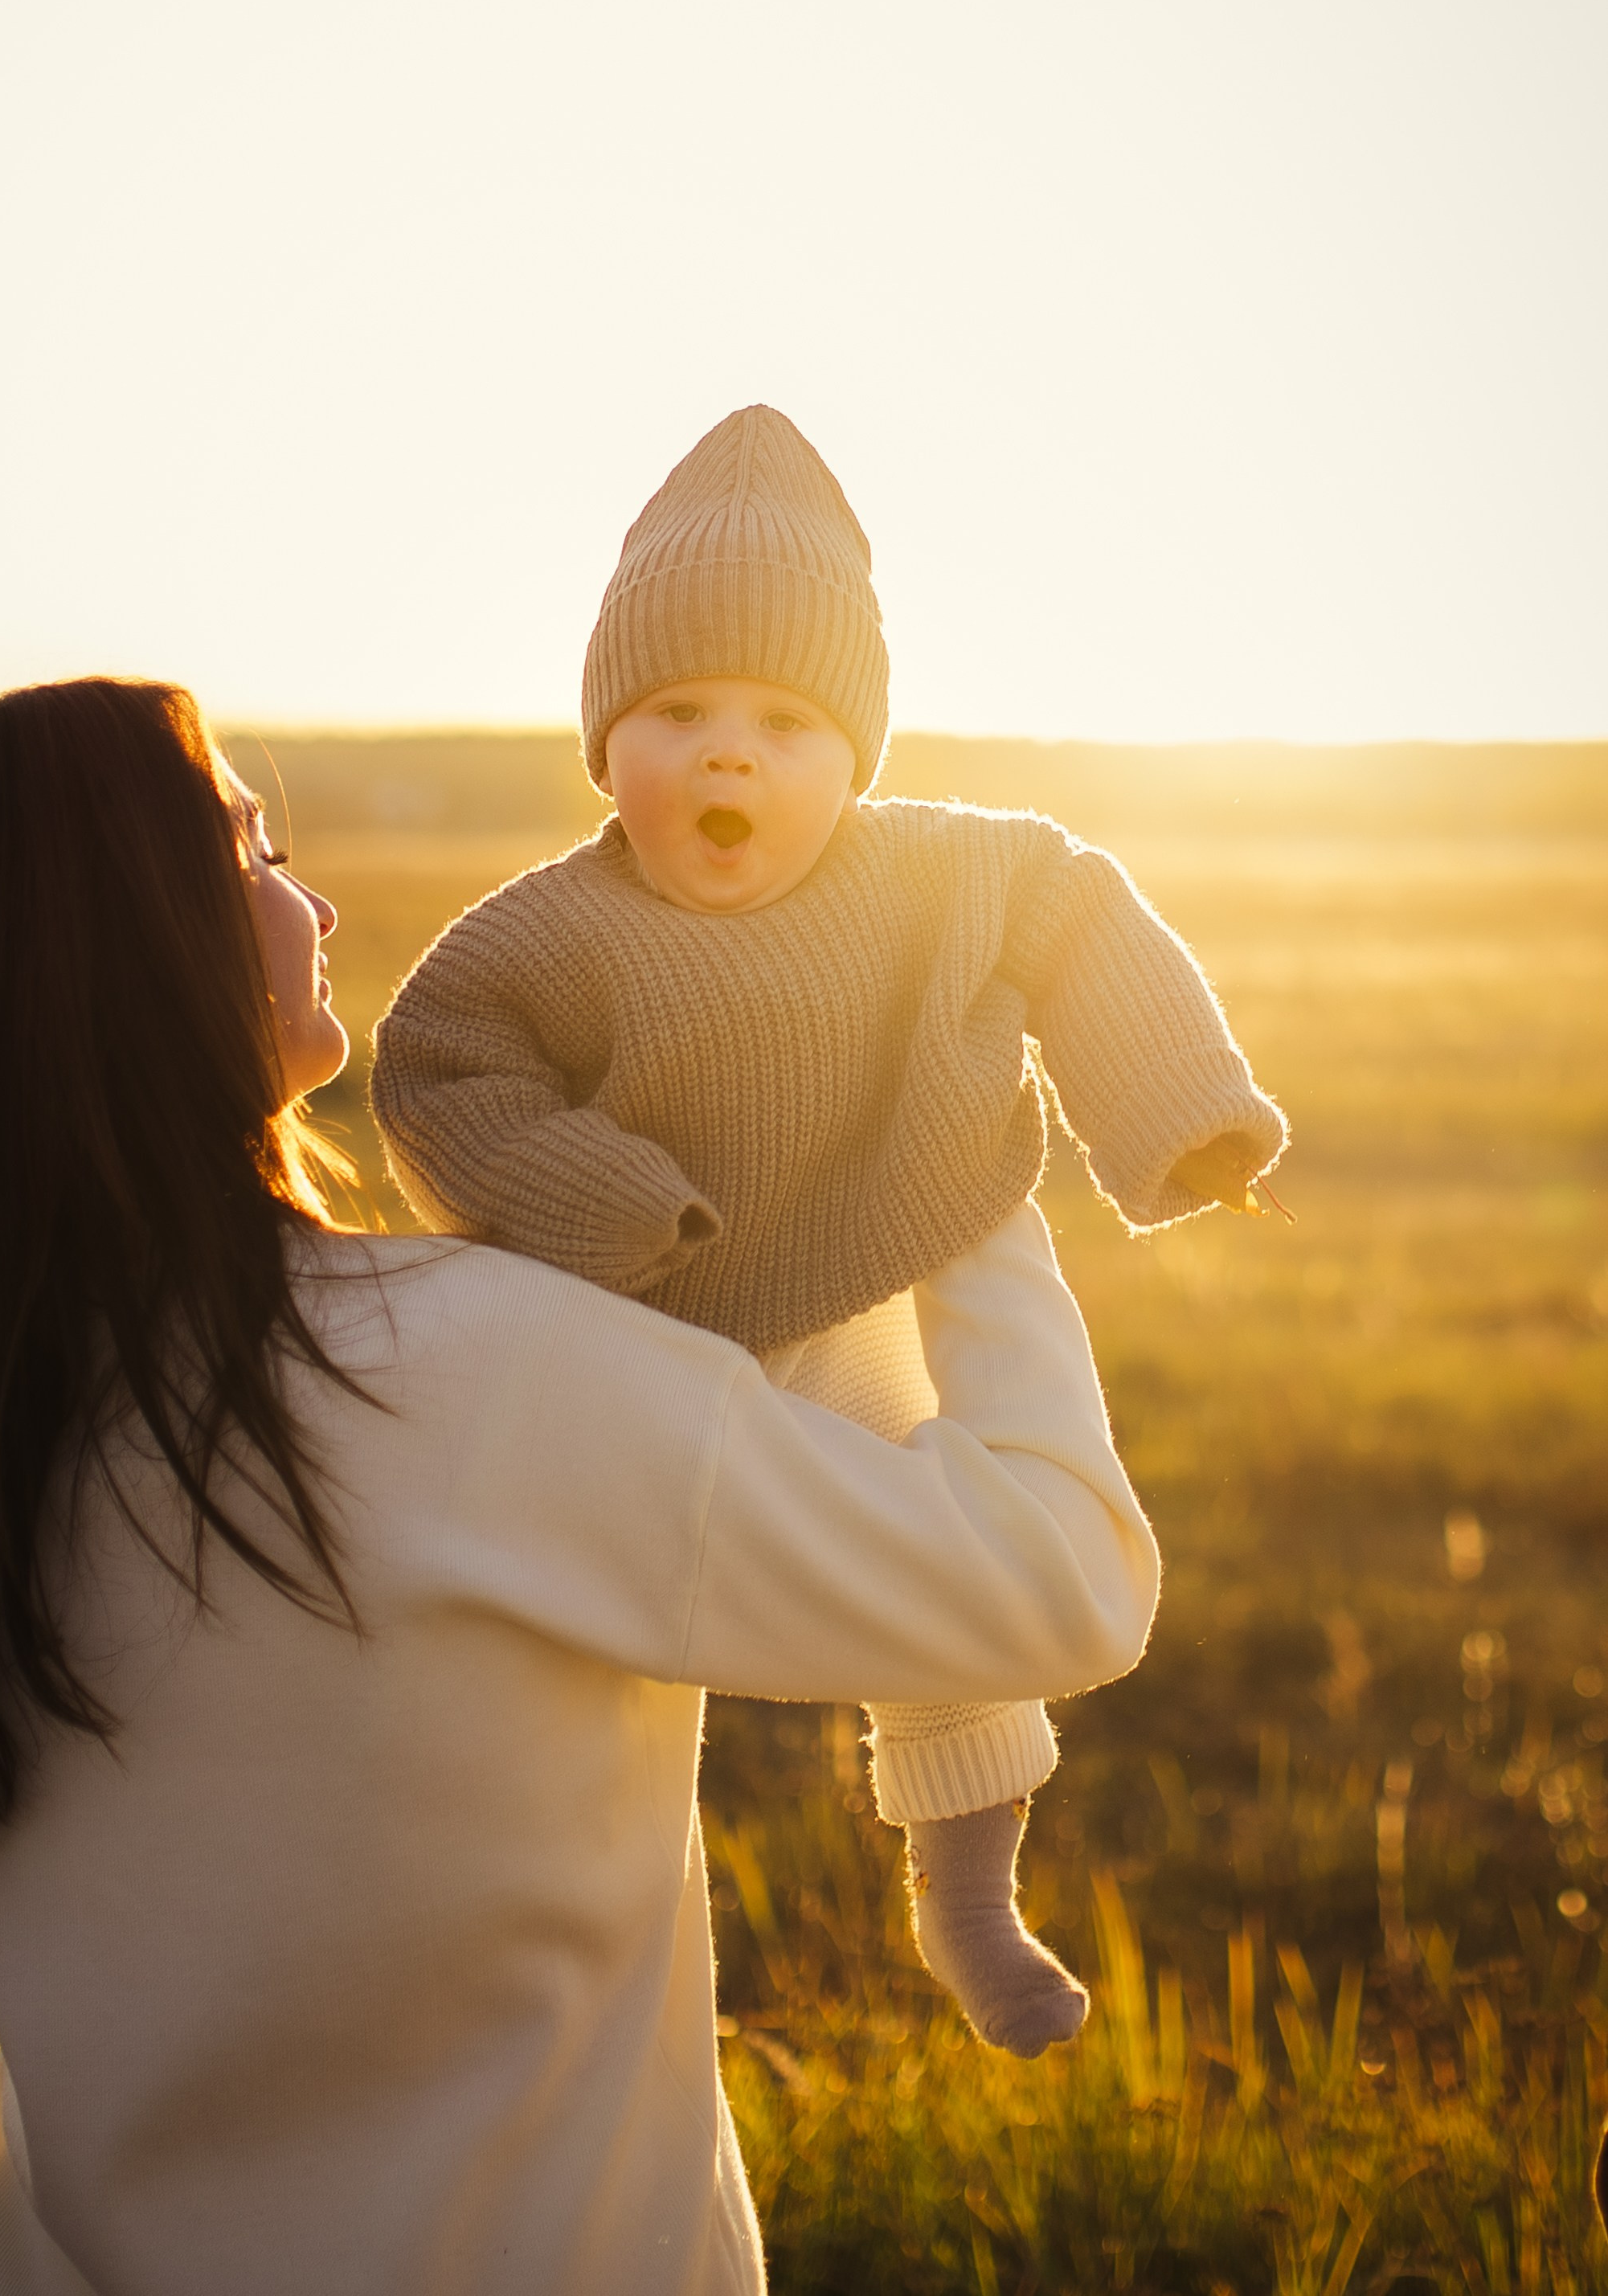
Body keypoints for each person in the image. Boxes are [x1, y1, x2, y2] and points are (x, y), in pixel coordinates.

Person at [0, 673, 1160, 2296]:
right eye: (247, 848)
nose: (312, 894)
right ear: (113, 951)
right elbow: (1060, 1573)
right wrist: (953, 1155)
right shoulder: (472, 1376)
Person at [372, 404, 1285, 2058]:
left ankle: (965, 1894)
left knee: (951, 1618)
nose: (730, 753)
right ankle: (555, 1929)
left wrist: (1180, 1114)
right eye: (677, 711)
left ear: (857, 752)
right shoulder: (550, 931)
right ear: (602, 744)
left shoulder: (943, 869)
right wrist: (608, 1196)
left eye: (786, 721)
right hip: (639, 1311)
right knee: (573, 1663)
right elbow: (442, 1068)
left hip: (870, 1255)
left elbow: (1085, 917)